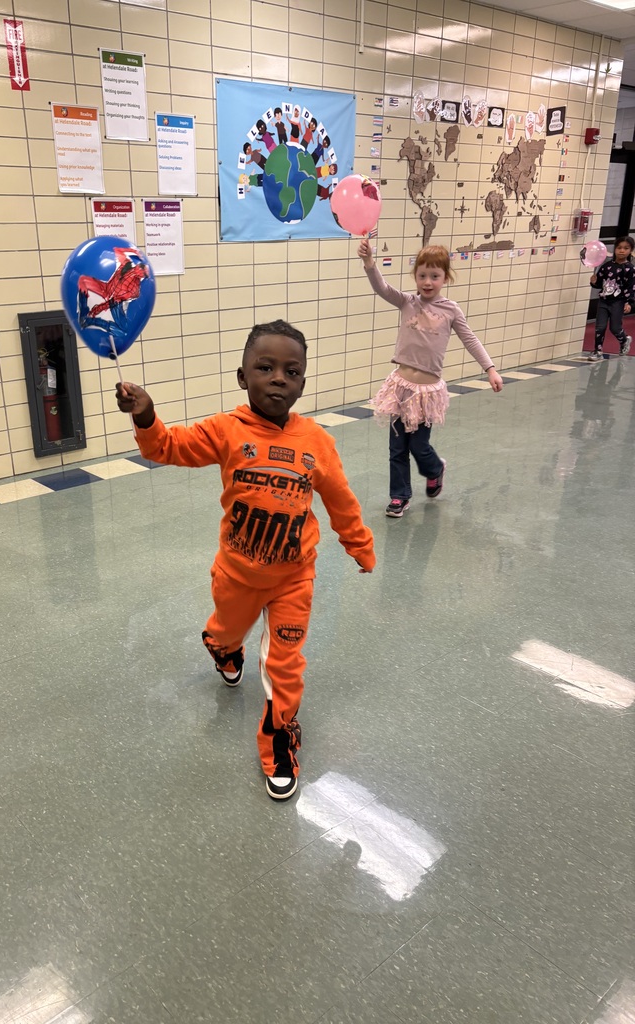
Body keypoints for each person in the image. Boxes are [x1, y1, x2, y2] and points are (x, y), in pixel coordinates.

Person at [115, 321, 375, 800]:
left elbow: (340, 498)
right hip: (236, 574)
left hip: (295, 577)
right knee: (227, 631)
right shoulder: (225, 430)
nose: (279, 378)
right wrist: (147, 414)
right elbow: (165, 447)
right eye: (266, 367)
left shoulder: (316, 441)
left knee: (286, 663)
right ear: (242, 377)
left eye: (291, 371)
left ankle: (278, 738)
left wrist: (359, 543)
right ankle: (222, 644)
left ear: (302, 383)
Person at [358, 239, 503, 517]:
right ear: (416, 277)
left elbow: (470, 339)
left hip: (426, 393)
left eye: (434, 276)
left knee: (420, 445)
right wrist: (369, 263)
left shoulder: (451, 310)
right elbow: (382, 288)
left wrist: (490, 369)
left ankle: (435, 468)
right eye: (422, 275)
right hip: (401, 388)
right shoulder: (407, 302)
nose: (427, 281)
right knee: (397, 447)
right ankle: (400, 496)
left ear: (445, 278)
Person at [587, 236, 634, 361]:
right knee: (600, 327)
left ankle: (624, 340)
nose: (622, 251)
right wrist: (594, 282)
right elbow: (598, 284)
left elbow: (631, 287)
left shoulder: (630, 269)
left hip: (618, 302)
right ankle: (597, 351)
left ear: (630, 250)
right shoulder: (606, 266)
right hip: (604, 300)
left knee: (615, 328)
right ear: (614, 249)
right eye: (619, 248)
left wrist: (629, 303)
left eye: (626, 248)